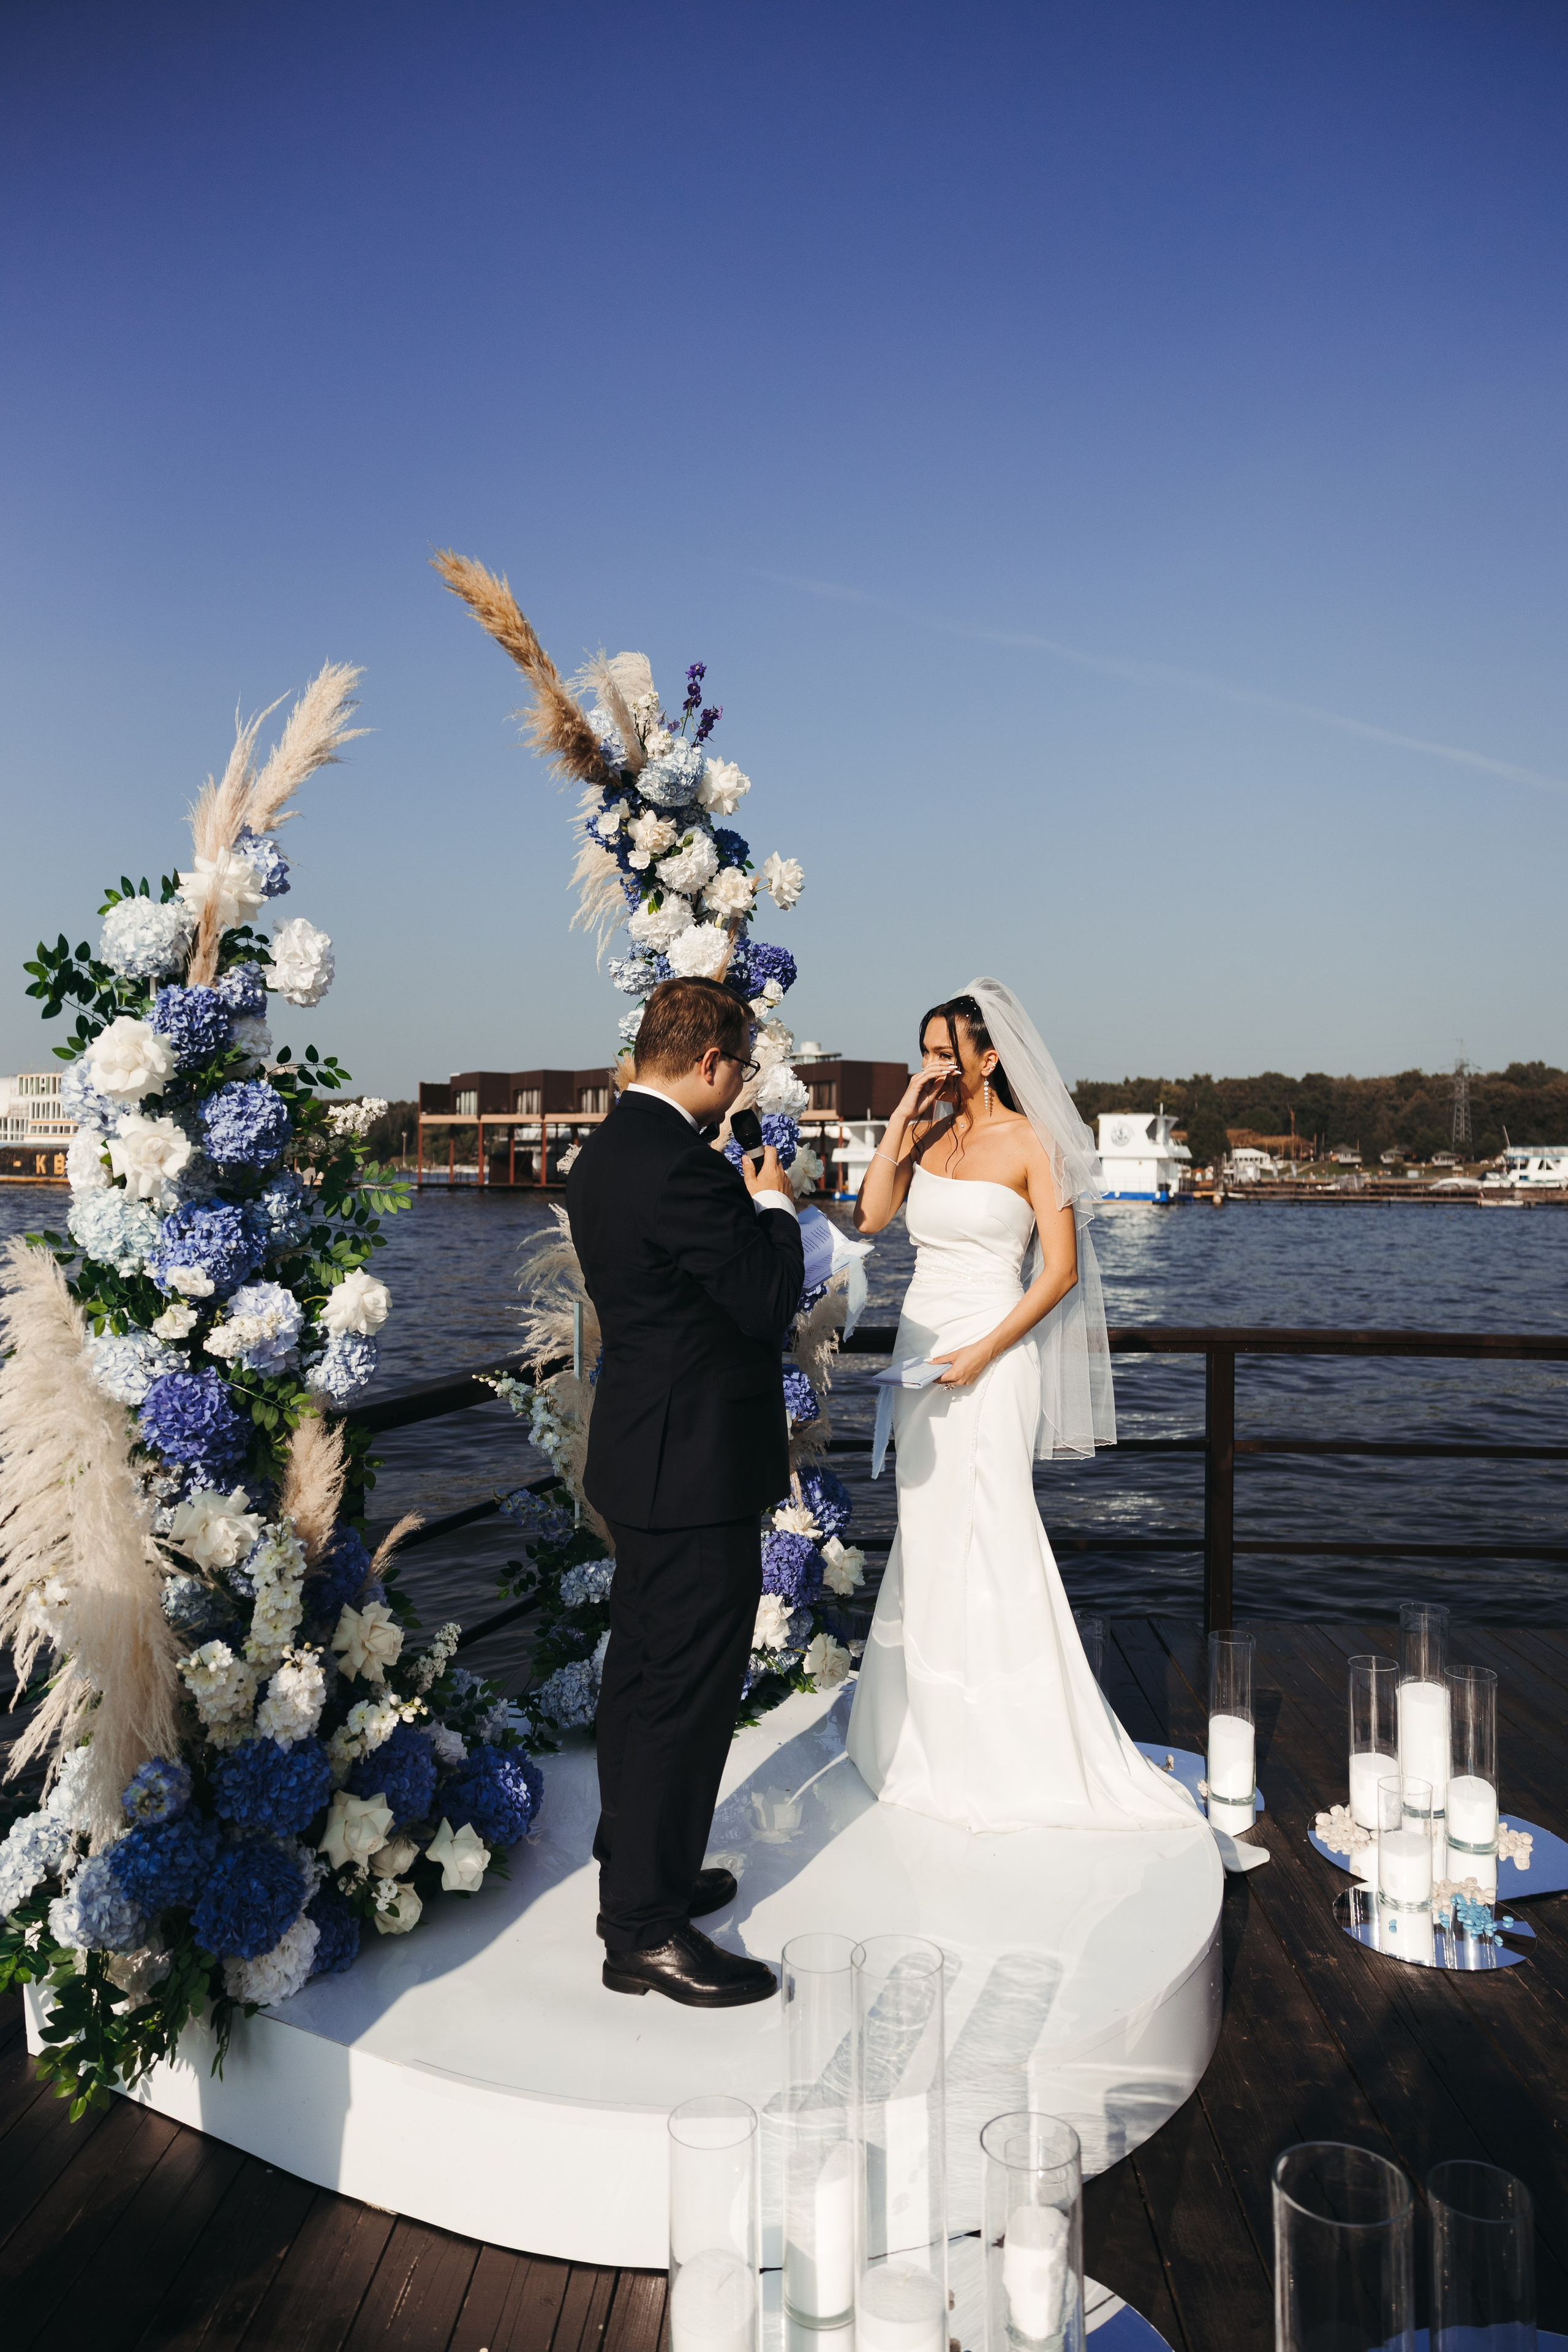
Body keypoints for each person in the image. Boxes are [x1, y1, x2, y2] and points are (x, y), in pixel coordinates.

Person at [844, 978, 1199, 1837]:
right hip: (921, 1357)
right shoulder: (927, 1132)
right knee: (926, 1535)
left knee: (994, 1532)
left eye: (943, 1052)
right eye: (921, 1050)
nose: (929, 1064)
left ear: (988, 1056)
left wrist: (985, 1352)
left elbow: (1063, 1272)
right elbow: (869, 1215)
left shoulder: (1033, 1140)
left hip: (992, 1357)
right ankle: (923, 1735)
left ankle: (1015, 1747)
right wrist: (900, 1115)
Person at [566, 975, 805, 2004]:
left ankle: (641, 1867)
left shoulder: (606, 1152)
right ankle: (645, 1932)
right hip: (695, 1467)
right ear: (709, 1062)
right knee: (686, 1694)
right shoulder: (685, 1171)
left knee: (641, 1676)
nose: (743, 1080)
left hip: (643, 1456)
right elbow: (763, 1298)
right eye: (742, 1064)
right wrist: (776, 1208)